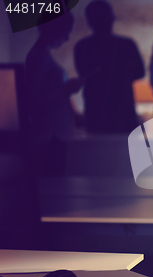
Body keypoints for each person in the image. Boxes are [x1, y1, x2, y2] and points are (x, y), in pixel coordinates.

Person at [74, 0, 145, 134]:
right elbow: (139, 72)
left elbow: (139, 72)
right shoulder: (126, 45)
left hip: (108, 114)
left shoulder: (82, 47)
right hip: (113, 114)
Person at [25, 12, 82, 176]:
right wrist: (66, 89)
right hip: (49, 136)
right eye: (66, 30)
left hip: (53, 134)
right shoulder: (37, 58)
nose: (67, 37)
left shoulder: (42, 56)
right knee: (52, 185)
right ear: (54, 28)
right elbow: (33, 102)